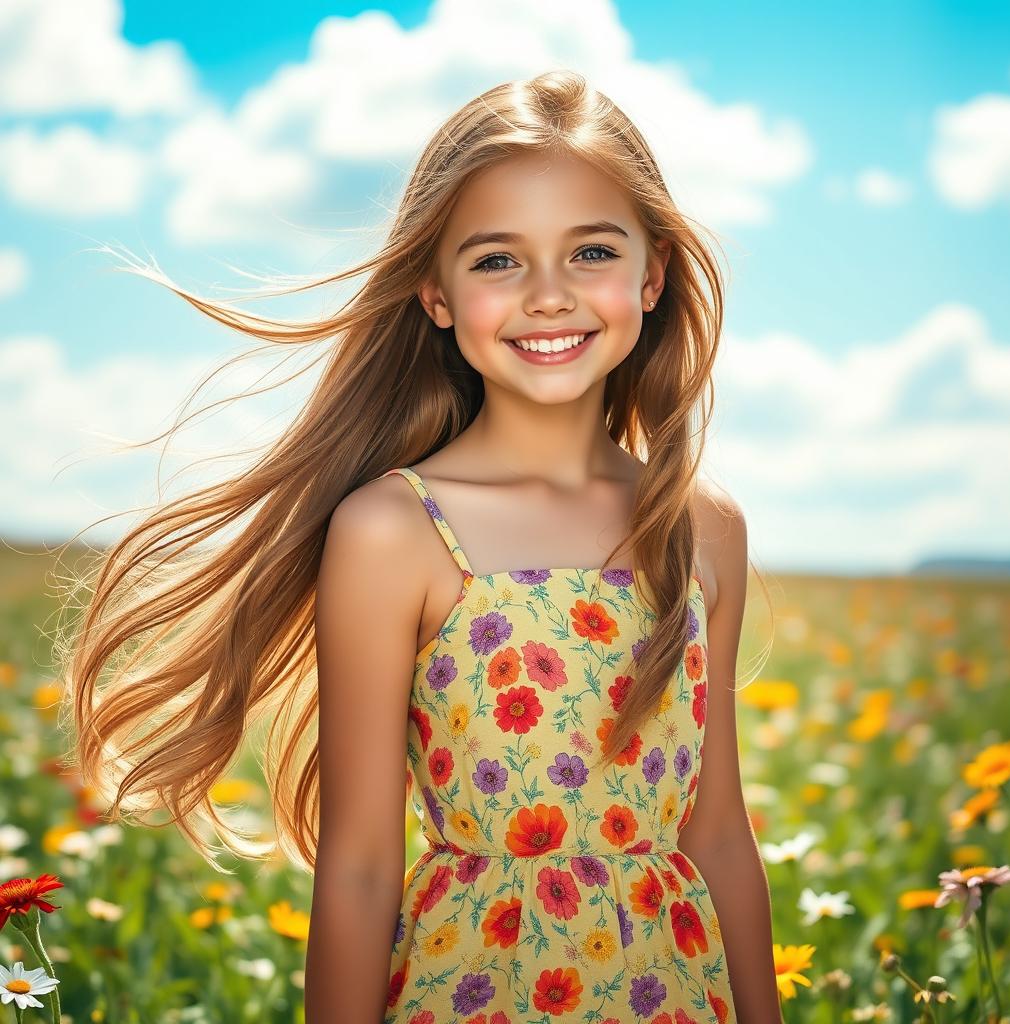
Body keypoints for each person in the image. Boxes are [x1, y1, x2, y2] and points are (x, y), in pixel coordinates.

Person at [60, 70, 781, 1022]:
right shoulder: (392, 531)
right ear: (434, 295)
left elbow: (720, 833)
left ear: (652, 275)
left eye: (592, 252)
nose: (549, 296)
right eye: (497, 261)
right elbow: (359, 869)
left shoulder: (704, 527)